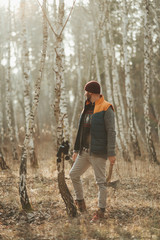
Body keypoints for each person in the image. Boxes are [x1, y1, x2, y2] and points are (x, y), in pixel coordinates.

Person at [69, 81, 116, 221]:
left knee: (101, 183)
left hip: (98, 152)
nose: (85, 94)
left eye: (87, 92)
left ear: (93, 93)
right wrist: (76, 149)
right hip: (84, 152)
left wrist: (111, 153)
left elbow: (111, 132)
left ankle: (101, 212)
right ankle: (81, 203)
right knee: (73, 174)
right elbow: (81, 131)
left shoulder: (106, 108)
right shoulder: (86, 108)